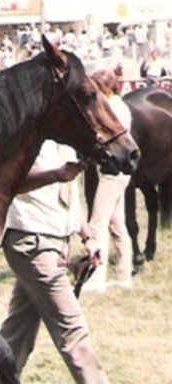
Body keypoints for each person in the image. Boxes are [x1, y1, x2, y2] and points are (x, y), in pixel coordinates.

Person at [0, 140, 155, 384]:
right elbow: (8, 182)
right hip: (31, 240)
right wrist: (54, 174)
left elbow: (69, 195)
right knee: (72, 328)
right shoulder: (23, 132)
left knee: (18, 332)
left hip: (54, 240)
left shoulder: (62, 134)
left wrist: (86, 234)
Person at [84, 70, 133, 292]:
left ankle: (97, 278)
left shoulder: (113, 110)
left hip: (111, 173)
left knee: (97, 225)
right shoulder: (121, 106)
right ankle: (124, 274)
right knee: (117, 224)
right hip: (120, 173)